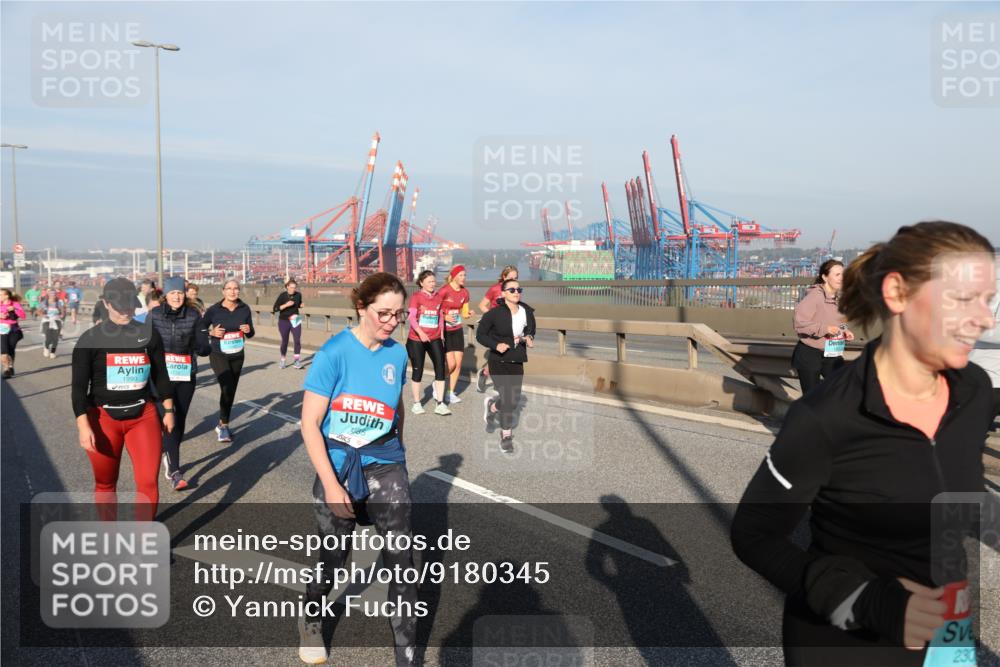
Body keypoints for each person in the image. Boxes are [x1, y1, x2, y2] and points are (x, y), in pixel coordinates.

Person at [731, 221, 997, 666]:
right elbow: (753, 535)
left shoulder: (974, 391)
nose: (986, 319)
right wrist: (872, 602)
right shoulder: (825, 417)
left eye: (987, 301)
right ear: (897, 293)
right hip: (847, 642)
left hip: (946, 632)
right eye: (964, 300)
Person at [298, 272, 417, 666]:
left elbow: (394, 405)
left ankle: (405, 653)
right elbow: (309, 424)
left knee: (402, 558)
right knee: (333, 559)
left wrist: (397, 452)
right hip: (338, 465)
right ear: (361, 307)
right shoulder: (334, 353)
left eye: (398, 315)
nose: (390, 322)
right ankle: (311, 619)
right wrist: (332, 486)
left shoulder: (397, 354)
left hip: (385, 464)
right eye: (383, 313)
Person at [72, 277, 175, 521]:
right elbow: (78, 388)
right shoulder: (89, 339)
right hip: (103, 418)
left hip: (143, 415)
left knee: (148, 481)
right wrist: (83, 426)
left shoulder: (148, 335)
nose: (127, 311)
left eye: (131, 305)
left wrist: (169, 410)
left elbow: (161, 375)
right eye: (120, 306)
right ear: (106, 304)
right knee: (106, 483)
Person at [150, 276, 210, 490]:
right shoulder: (155, 315)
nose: (176, 296)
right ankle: (175, 470)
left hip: (185, 374)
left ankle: (169, 455)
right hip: (160, 375)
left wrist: (202, 345)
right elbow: (146, 342)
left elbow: (204, 345)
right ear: (166, 295)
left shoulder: (193, 315)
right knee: (165, 418)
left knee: (180, 419)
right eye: (173, 293)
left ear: (185, 295)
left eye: (180, 293)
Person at [475, 277, 536, 453]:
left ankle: (492, 407)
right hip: (498, 360)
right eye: (512, 290)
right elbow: (481, 335)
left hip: (517, 359)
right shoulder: (494, 314)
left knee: (514, 399)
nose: (516, 292)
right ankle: (506, 436)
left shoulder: (526, 311)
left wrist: (529, 337)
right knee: (508, 398)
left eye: (519, 290)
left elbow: (531, 329)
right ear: (503, 293)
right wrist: (496, 345)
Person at [201, 279, 255, 443]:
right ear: (223, 291)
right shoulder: (214, 310)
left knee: (230, 390)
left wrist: (248, 330)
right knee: (226, 386)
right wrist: (211, 333)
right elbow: (200, 328)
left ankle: (221, 422)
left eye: (236, 288)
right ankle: (224, 426)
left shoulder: (244, 309)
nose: (232, 291)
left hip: (237, 354)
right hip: (218, 353)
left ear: (239, 291)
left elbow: (251, 333)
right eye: (229, 288)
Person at [792, 259, 856, 395]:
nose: (842, 278)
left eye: (843, 274)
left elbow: (839, 321)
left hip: (832, 353)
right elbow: (799, 323)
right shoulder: (814, 297)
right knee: (811, 398)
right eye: (837, 275)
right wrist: (825, 329)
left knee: (842, 387)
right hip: (810, 354)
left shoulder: (837, 298)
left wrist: (845, 331)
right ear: (825, 277)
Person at [406, 270, 451, 416]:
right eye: (429, 281)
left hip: (435, 338)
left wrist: (442, 334)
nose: (433, 284)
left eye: (433, 281)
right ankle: (417, 403)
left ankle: (440, 403)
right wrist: (420, 332)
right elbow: (412, 318)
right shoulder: (416, 297)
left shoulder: (438, 297)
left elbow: (440, 317)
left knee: (440, 368)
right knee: (418, 370)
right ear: (421, 283)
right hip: (416, 339)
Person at [476, 265, 518, 393]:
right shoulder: (494, 289)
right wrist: (492, 317)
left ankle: (485, 372)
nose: (513, 280)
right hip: (496, 328)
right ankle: (498, 385)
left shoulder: (516, 290)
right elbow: (482, 305)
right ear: (503, 277)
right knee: (500, 354)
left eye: (516, 278)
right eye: (510, 277)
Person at [438, 265, 474, 404]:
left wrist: (469, 313)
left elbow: (464, 313)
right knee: (451, 364)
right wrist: (445, 317)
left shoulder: (465, 293)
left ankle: (450, 393)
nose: (464, 278)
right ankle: (439, 382)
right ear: (453, 276)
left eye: (465, 275)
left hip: (457, 329)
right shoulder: (444, 291)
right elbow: (434, 308)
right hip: (444, 330)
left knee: (458, 364)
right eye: (461, 275)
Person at [272, 278, 304, 369]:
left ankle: (296, 361)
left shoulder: (298, 295)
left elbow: (298, 304)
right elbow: (275, 309)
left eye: (294, 287)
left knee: (297, 340)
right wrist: (286, 305)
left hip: (295, 319)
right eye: (291, 287)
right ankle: (283, 360)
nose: (293, 289)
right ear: (287, 287)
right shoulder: (282, 296)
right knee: (285, 341)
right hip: (284, 320)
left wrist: (301, 305)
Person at [1, 289, 26, 378]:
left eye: (1, 295)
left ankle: (11, 366)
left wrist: (14, 309)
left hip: (13, 330)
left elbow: (23, 316)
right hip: (1, 331)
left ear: (6, 296)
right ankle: (6, 369)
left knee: (11, 349)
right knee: (3, 351)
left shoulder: (15, 304)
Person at [38, 287, 66, 358]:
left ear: (56, 295)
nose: (53, 295)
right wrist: (43, 315)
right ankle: (46, 348)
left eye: (54, 294)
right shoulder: (44, 302)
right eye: (51, 294)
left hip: (56, 320)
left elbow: (62, 311)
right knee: (48, 338)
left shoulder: (59, 302)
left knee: (55, 338)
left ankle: (53, 352)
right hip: (47, 321)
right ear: (49, 295)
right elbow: (39, 311)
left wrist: (62, 315)